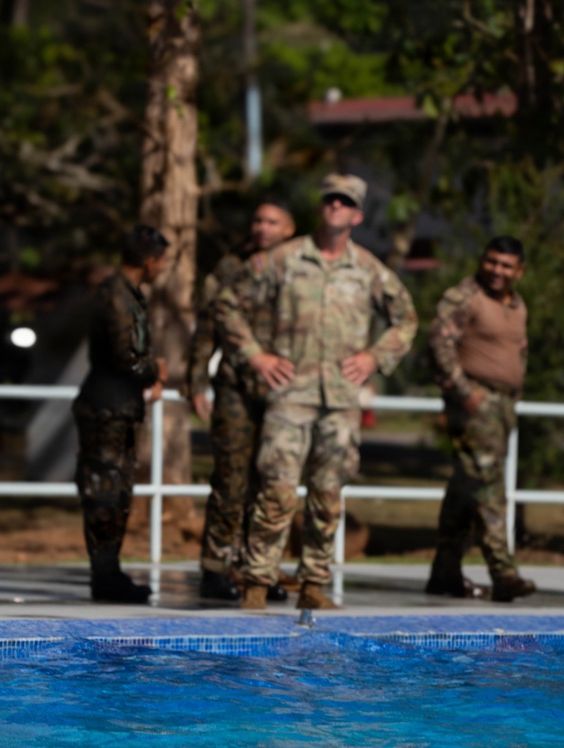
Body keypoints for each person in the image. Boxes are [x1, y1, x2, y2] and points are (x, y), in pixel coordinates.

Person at [215, 173, 417, 612]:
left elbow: (406, 320)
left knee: (328, 493)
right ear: (320, 206)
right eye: (330, 200)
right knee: (277, 490)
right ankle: (256, 584)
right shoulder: (284, 259)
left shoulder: (368, 269)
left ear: (357, 214)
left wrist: (374, 358)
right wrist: (256, 355)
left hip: (342, 399)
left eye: (345, 202)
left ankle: (313, 585)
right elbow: (227, 302)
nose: (336, 207)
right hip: (292, 394)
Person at [185, 199, 296, 603]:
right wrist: (196, 382)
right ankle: (215, 569)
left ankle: (257, 569)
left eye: (272, 221)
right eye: (258, 219)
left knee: (270, 484)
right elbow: (206, 326)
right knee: (230, 480)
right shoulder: (232, 267)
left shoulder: (300, 267)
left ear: (289, 229)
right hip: (235, 386)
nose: (263, 227)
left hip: (283, 393)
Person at [427, 235, 536, 603]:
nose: (497, 271)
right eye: (492, 262)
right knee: (489, 487)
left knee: (465, 486)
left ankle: (444, 573)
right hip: (475, 400)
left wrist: (513, 396)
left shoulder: (517, 305)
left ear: (519, 271)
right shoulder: (465, 296)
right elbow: (439, 342)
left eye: (506, 265)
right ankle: (503, 573)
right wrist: (463, 392)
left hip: (502, 405)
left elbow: (517, 352)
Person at [74, 225, 170, 603]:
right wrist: (154, 370)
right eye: (160, 262)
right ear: (149, 261)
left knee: (117, 492)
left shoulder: (128, 294)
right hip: (106, 409)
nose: (161, 269)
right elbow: (124, 357)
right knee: (104, 493)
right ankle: (104, 575)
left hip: (120, 407)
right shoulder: (116, 295)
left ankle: (109, 571)